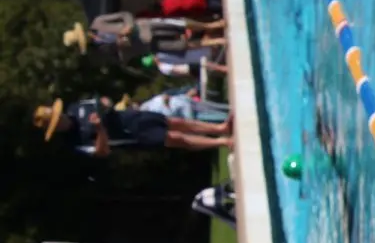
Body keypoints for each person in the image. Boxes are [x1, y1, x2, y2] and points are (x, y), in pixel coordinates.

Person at [32, 96, 232, 156]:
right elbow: (102, 152)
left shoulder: (76, 106)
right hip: (128, 134)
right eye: (56, 122)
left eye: (58, 116)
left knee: (174, 122)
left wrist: (106, 104)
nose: (61, 120)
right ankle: (222, 142)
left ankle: (219, 129)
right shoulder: (74, 140)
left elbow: (102, 99)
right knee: (173, 138)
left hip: (128, 116)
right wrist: (100, 129)